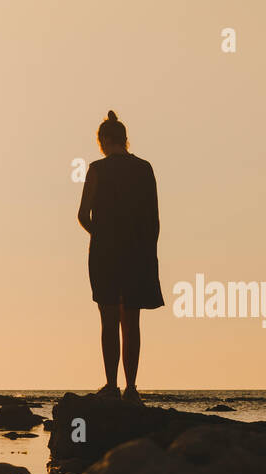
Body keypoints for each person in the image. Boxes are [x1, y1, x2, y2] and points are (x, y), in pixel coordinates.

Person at [77, 111, 162, 405]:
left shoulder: (97, 170)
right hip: (137, 253)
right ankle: (132, 388)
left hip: (105, 254)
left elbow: (82, 215)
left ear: (102, 141)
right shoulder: (144, 169)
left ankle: (112, 386)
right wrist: (146, 251)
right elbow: (153, 220)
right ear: (125, 139)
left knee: (109, 318)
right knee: (132, 320)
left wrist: (99, 236)